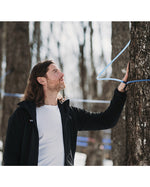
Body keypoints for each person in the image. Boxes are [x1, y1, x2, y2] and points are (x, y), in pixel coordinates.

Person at [3, 60, 129, 166]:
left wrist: (120, 92)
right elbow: (10, 160)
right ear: (42, 80)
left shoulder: (69, 114)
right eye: (55, 71)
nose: (62, 74)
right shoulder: (23, 115)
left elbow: (107, 120)